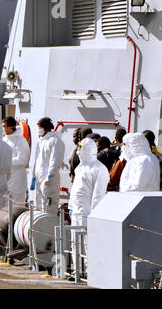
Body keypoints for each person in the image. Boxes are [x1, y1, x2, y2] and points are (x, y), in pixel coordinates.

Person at [68, 138, 110, 274]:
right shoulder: (80, 167)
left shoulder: (99, 169)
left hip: (87, 213)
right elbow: (75, 190)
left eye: (81, 148)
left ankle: (90, 271)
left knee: (89, 244)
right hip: (76, 212)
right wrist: (71, 206)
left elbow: (98, 195)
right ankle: (77, 270)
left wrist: (95, 214)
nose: (78, 151)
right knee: (75, 243)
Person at [30, 117, 65, 214]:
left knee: (49, 206)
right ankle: (39, 227)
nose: (38, 130)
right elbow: (37, 161)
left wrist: (50, 175)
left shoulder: (55, 141)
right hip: (39, 179)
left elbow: (56, 160)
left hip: (49, 181)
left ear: (45, 128)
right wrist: (33, 177)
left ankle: (48, 228)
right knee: (39, 206)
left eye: (39, 127)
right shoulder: (41, 142)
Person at [2, 116, 30, 207]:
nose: (3, 129)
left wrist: (6, 161)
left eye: (4, 126)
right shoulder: (3, 140)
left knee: (17, 206)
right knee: (5, 207)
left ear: (10, 127)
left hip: (17, 179)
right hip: (5, 179)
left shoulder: (21, 141)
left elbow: (22, 160)